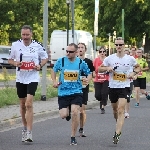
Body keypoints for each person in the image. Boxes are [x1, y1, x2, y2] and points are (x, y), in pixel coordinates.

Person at [8, 25, 48, 142]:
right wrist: (16, 64)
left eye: (27, 35)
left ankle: (30, 132)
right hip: (20, 78)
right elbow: (10, 59)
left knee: (29, 103)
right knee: (22, 104)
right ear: (21, 35)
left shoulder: (37, 45)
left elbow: (45, 58)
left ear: (31, 34)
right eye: (23, 35)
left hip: (33, 77)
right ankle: (24, 128)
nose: (25, 37)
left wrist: (39, 65)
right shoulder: (15, 45)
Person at [98, 37, 140, 144]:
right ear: (114, 46)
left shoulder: (130, 58)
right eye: (117, 45)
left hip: (125, 87)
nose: (118, 47)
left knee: (121, 109)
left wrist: (133, 73)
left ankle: (117, 134)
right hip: (113, 87)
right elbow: (100, 69)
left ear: (124, 45)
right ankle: (118, 122)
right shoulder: (109, 58)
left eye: (120, 45)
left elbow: (138, 67)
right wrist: (107, 68)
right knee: (115, 110)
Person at [51, 43, 91, 145]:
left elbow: (89, 73)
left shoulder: (80, 63)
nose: (68, 53)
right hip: (63, 92)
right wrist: (54, 81)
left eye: (70, 52)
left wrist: (87, 80)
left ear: (76, 52)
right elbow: (54, 71)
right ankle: (67, 112)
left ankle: (73, 136)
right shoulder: (61, 61)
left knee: (75, 112)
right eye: (67, 51)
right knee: (63, 115)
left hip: (76, 91)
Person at [77, 43, 95, 137]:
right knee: (74, 109)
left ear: (85, 50)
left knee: (82, 110)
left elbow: (91, 73)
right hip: (73, 87)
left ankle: (81, 128)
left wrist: (88, 79)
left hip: (84, 87)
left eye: (82, 48)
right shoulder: (73, 60)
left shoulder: (88, 61)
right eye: (79, 47)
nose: (80, 49)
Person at [93, 46, 109, 114]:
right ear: (98, 52)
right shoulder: (96, 60)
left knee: (104, 93)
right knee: (97, 95)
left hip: (106, 79)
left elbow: (111, 68)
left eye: (103, 51)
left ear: (105, 52)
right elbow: (93, 69)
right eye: (100, 51)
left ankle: (102, 107)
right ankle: (101, 101)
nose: (102, 53)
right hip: (98, 79)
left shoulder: (108, 60)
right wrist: (93, 74)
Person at [124, 48, 133, 118]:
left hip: (129, 82)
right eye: (125, 54)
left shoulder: (132, 61)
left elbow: (136, 70)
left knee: (127, 98)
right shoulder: (119, 62)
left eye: (127, 54)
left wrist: (134, 75)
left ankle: (126, 112)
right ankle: (122, 111)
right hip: (120, 83)